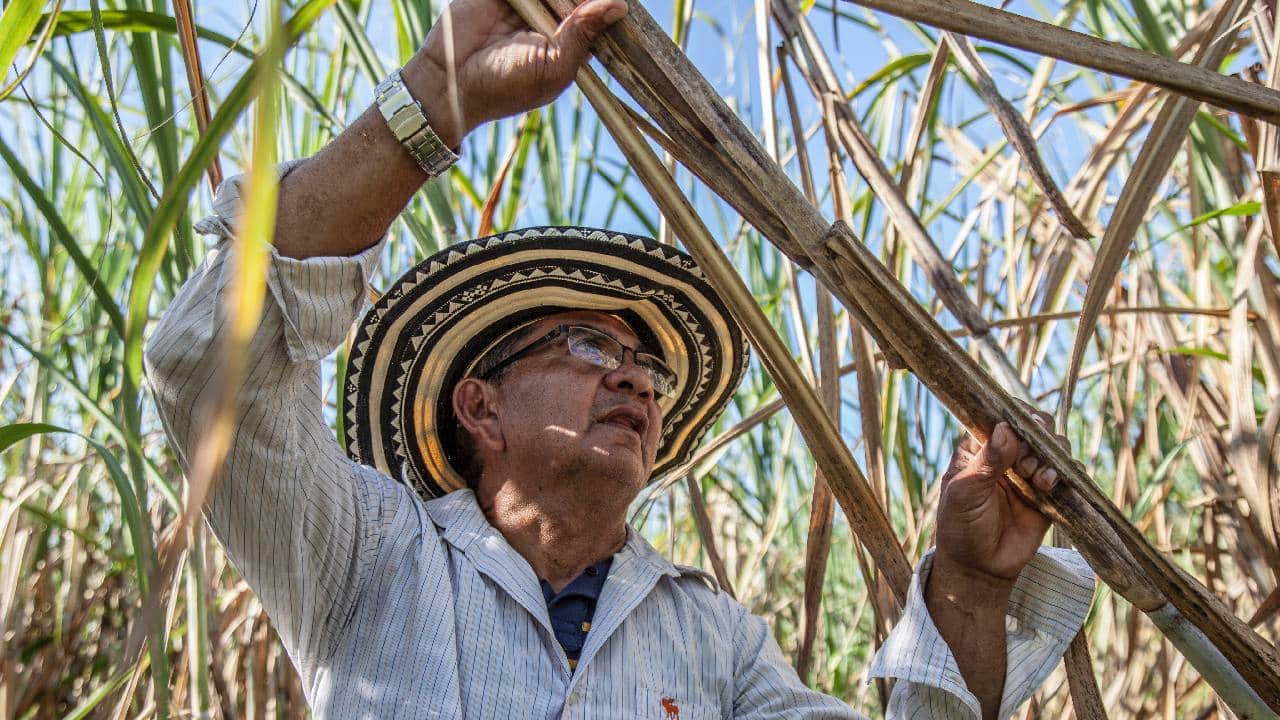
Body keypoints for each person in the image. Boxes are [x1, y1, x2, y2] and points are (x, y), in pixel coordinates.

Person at [144, 0, 1095, 717]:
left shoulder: (713, 641)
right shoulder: (364, 553)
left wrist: (970, 585)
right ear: (481, 407)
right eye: (590, 346)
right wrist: (442, 88)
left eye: (649, 367)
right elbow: (209, 370)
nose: (635, 376)